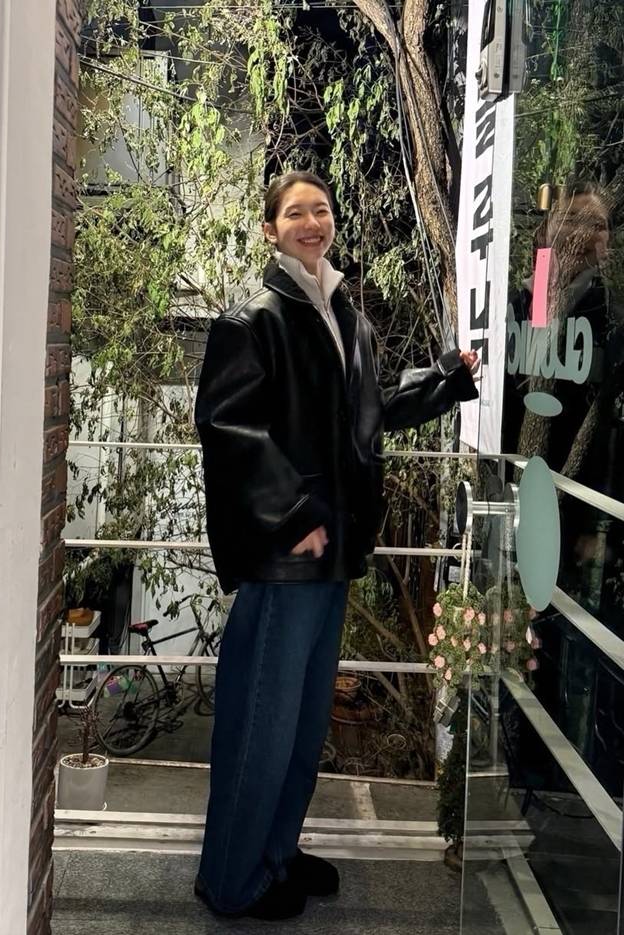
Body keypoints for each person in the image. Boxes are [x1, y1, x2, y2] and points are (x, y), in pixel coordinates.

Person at [193, 170, 479, 920]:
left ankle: (274, 853)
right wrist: (293, 515)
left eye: (320, 210)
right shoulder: (252, 319)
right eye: (295, 212)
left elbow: (367, 411)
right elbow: (227, 429)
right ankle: (231, 880)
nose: (311, 222)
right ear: (270, 229)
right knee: (261, 723)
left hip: (335, 552)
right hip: (286, 556)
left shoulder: (343, 314)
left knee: (300, 724)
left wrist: (445, 380)